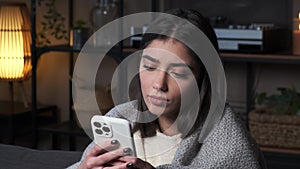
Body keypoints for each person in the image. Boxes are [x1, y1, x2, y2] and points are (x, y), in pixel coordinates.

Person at [68, 8, 266, 169]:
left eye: (178, 73)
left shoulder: (228, 143)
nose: (159, 84)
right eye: (150, 67)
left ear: (203, 77)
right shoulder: (120, 118)